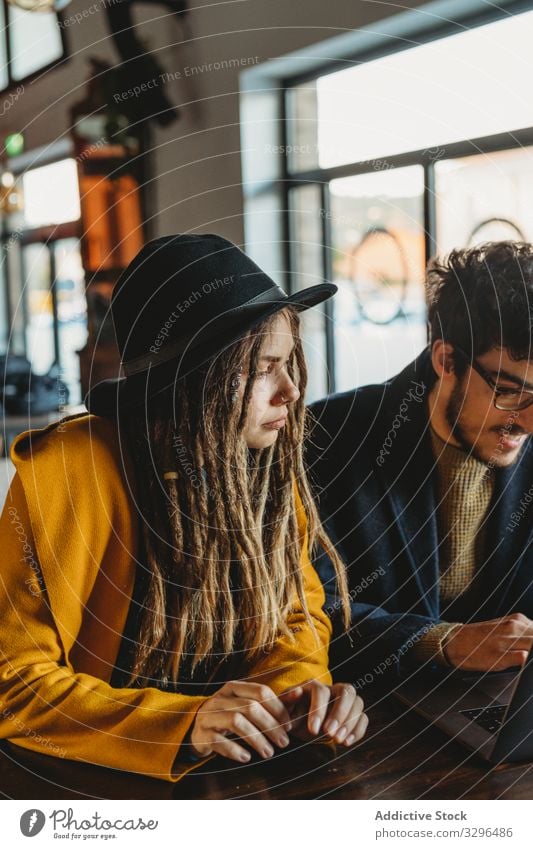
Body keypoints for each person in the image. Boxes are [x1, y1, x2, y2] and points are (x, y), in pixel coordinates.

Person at [0, 233, 368, 783]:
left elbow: (297, 615)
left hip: (245, 772)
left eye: (288, 362)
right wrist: (182, 723)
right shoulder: (62, 474)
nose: (291, 391)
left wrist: (296, 696)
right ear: (192, 382)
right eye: (264, 367)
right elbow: (14, 683)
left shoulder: (263, 467)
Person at [306, 241, 533, 689]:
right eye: (510, 392)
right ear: (446, 360)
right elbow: (307, 611)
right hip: (373, 721)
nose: (528, 422)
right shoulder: (324, 437)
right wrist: (441, 642)